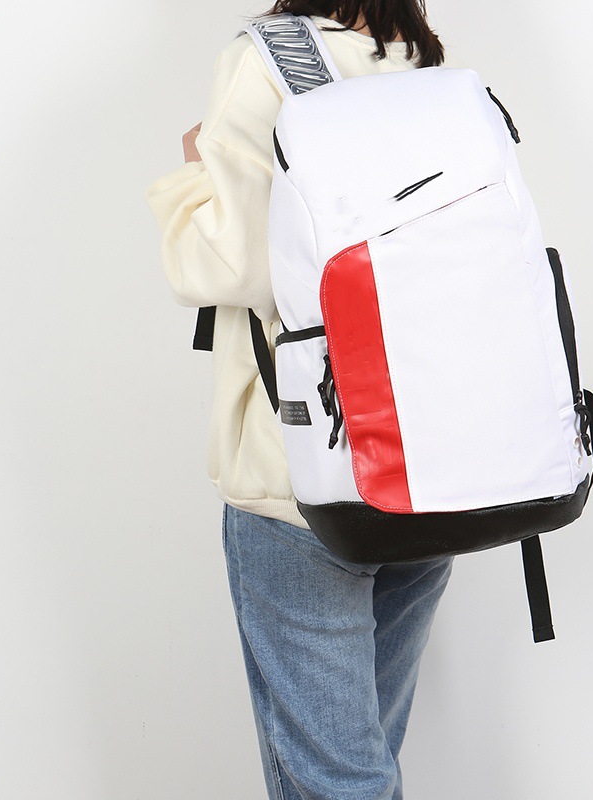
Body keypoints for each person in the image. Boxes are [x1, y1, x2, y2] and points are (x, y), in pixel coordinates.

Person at [145, 3, 462, 797]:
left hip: (301, 474)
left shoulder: (264, 62)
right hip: (428, 467)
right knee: (363, 761)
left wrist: (192, 175)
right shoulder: (420, 63)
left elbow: (231, 266)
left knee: (338, 781)